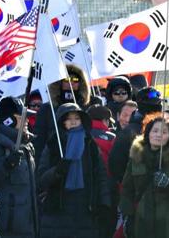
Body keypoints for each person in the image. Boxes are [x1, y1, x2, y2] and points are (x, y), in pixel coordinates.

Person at [37, 103, 111, 238]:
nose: (73, 122)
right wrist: (57, 171)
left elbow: (100, 176)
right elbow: (42, 179)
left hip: (85, 209)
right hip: (58, 210)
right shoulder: (53, 144)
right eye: (69, 119)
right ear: (62, 122)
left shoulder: (90, 145)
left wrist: (104, 203)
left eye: (77, 119)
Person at [119, 117, 169, 238]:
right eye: (155, 131)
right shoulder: (136, 158)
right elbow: (127, 190)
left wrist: (168, 183)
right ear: (148, 133)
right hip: (142, 223)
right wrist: (129, 217)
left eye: (164, 132)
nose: (158, 135)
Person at [0, 97, 38, 238]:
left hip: (27, 227)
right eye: (23, 117)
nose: (27, 121)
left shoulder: (28, 145)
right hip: (5, 228)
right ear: (9, 120)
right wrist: (7, 164)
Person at [34, 64, 92, 165]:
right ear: (59, 83)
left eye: (75, 80)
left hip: (82, 161)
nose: (70, 82)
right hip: (53, 160)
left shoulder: (88, 107)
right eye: (66, 79)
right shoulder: (48, 109)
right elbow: (39, 141)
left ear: (81, 83)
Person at [86, 105, 118, 238]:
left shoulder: (82, 135)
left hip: (86, 185)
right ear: (105, 120)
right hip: (108, 186)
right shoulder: (112, 138)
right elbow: (116, 163)